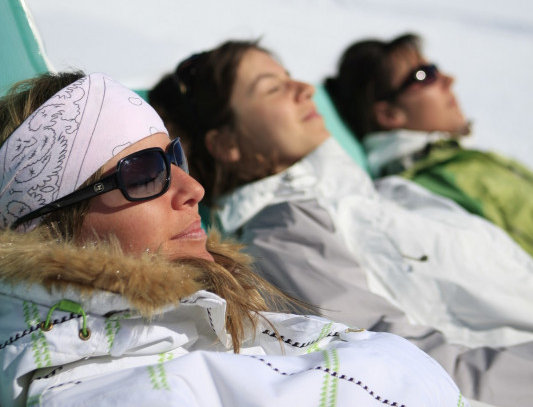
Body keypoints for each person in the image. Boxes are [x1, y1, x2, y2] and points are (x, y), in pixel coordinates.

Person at [0, 72, 467, 407]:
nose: (192, 189)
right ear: (47, 229)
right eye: (144, 173)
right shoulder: (105, 391)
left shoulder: (215, 316)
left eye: (174, 156)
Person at [150, 40, 533, 407]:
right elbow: (405, 364)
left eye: (291, 76)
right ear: (226, 144)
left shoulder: (394, 193)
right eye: (273, 88)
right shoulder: (284, 234)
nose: (303, 88)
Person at [323, 33, 533, 256]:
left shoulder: (455, 161)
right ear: (389, 114)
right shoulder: (427, 188)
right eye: (424, 75)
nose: (449, 79)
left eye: (435, 68)